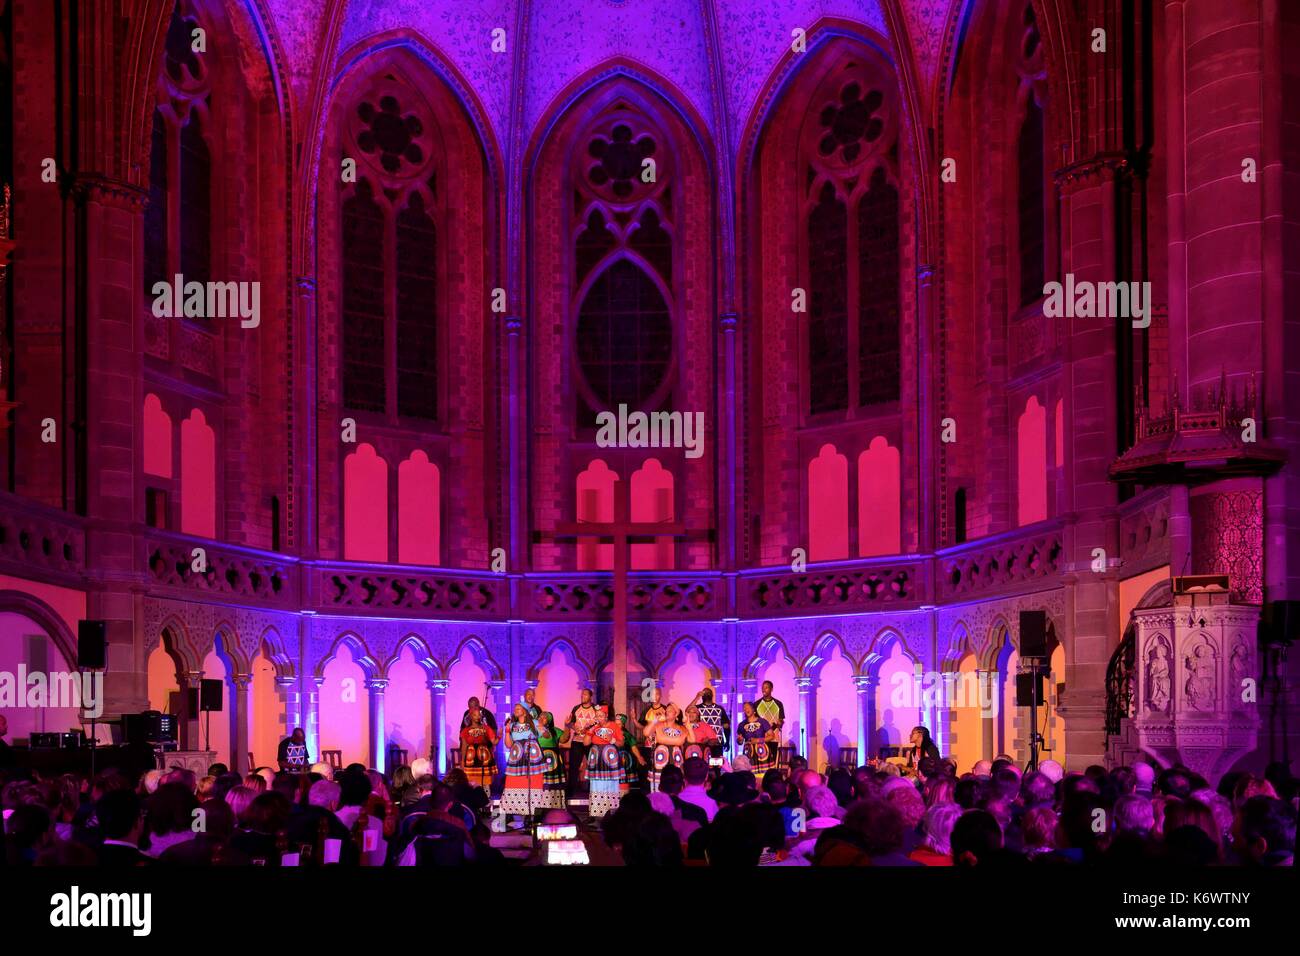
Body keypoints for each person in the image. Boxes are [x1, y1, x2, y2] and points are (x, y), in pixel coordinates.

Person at [501, 703, 561, 818]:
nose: (515, 710)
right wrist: (507, 731)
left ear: (525, 710)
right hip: (517, 757)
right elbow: (508, 745)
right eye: (515, 708)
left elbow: (548, 736)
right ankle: (512, 813)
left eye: (518, 708)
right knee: (512, 783)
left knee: (533, 783)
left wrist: (543, 730)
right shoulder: (512, 725)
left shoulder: (534, 723)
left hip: (533, 757)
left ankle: (532, 815)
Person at [562, 688, 601, 800]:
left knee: (594, 766)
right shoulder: (576, 708)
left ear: (590, 696)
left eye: (585, 695)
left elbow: (600, 722)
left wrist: (590, 730)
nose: (582, 696)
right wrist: (572, 726)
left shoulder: (595, 708)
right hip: (577, 741)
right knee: (574, 767)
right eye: (582, 695)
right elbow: (571, 724)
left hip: (591, 741)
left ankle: (595, 791)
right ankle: (570, 793)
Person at [585, 707, 624, 818]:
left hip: (610, 758)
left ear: (606, 716)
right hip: (596, 758)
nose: (598, 718)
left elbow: (621, 743)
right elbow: (586, 743)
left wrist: (612, 740)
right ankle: (596, 813)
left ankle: (611, 812)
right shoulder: (594, 727)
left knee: (610, 784)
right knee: (596, 784)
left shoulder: (614, 726)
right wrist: (591, 730)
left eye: (601, 716)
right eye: (597, 716)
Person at [644, 703, 690, 791]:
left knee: (675, 785)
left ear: (676, 714)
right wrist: (654, 721)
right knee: (658, 786)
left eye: (670, 710)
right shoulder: (659, 725)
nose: (666, 712)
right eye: (666, 710)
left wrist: (688, 725)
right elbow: (646, 733)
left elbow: (692, 739)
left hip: (675, 759)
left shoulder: (681, 728)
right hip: (660, 759)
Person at [459, 707, 498, 791]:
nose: (477, 717)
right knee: (471, 781)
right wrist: (462, 761)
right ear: (470, 716)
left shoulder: (486, 728)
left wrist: (500, 736)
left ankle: (486, 799)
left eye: (479, 715)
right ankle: (473, 799)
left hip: (485, 757)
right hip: (471, 758)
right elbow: (464, 746)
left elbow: (494, 742)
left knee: (485, 782)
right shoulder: (465, 731)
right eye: (475, 715)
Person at [736, 701, 776, 780]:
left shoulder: (762, 721)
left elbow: (772, 736)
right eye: (744, 708)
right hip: (749, 753)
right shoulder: (741, 724)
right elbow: (740, 742)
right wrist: (739, 740)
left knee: (764, 776)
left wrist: (758, 740)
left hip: (762, 752)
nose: (745, 709)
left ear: (754, 709)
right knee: (749, 776)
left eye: (748, 708)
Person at [536, 711, 567, 807]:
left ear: (549, 720)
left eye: (544, 717)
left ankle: (554, 806)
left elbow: (564, 739)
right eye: (540, 716)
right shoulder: (534, 730)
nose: (541, 718)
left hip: (552, 760)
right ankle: (539, 806)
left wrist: (567, 726)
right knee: (539, 782)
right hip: (538, 758)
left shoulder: (554, 730)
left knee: (552, 784)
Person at [689, 688, 730, 755]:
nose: (707, 693)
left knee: (717, 764)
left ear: (712, 695)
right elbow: (688, 710)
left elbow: (726, 726)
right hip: (702, 742)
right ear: (702, 696)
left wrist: (727, 742)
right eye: (704, 692)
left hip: (717, 743)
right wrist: (697, 697)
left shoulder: (719, 708)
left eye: (708, 692)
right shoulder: (697, 708)